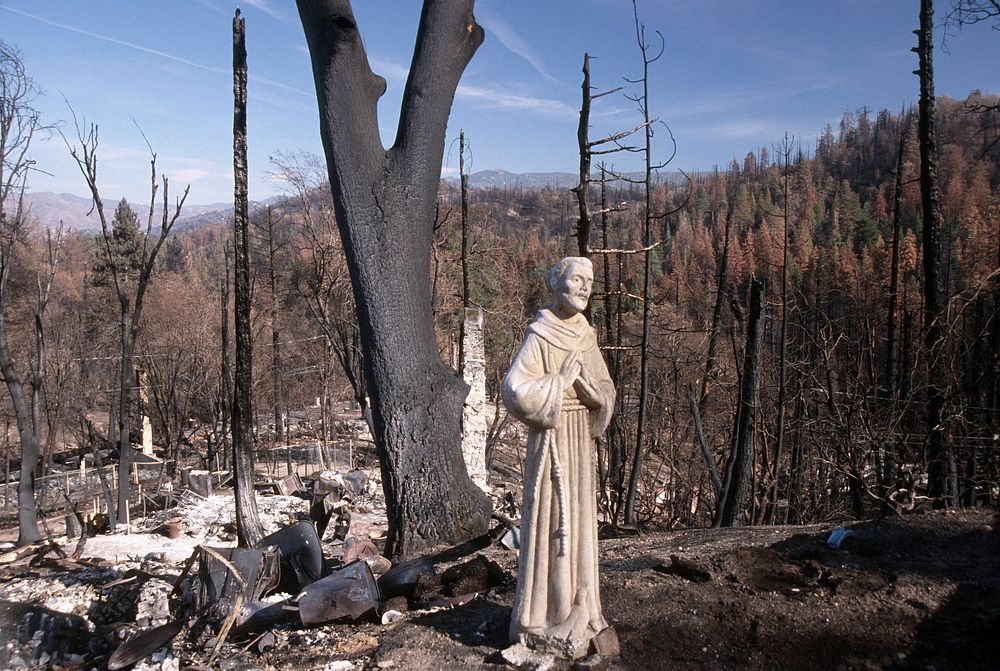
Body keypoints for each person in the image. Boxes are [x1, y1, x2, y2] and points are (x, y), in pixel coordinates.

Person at [501, 256, 617, 659]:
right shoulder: (540, 333)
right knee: (552, 524)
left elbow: (606, 388)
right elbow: (514, 388)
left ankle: (581, 608)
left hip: (579, 442)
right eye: (576, 279)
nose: (585, 287)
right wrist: (558, 384)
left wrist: (591, 394)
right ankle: (542, 616)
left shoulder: (585, 334)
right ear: (556, 283)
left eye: (590, 281)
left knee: (579, 524)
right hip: (551, 444)